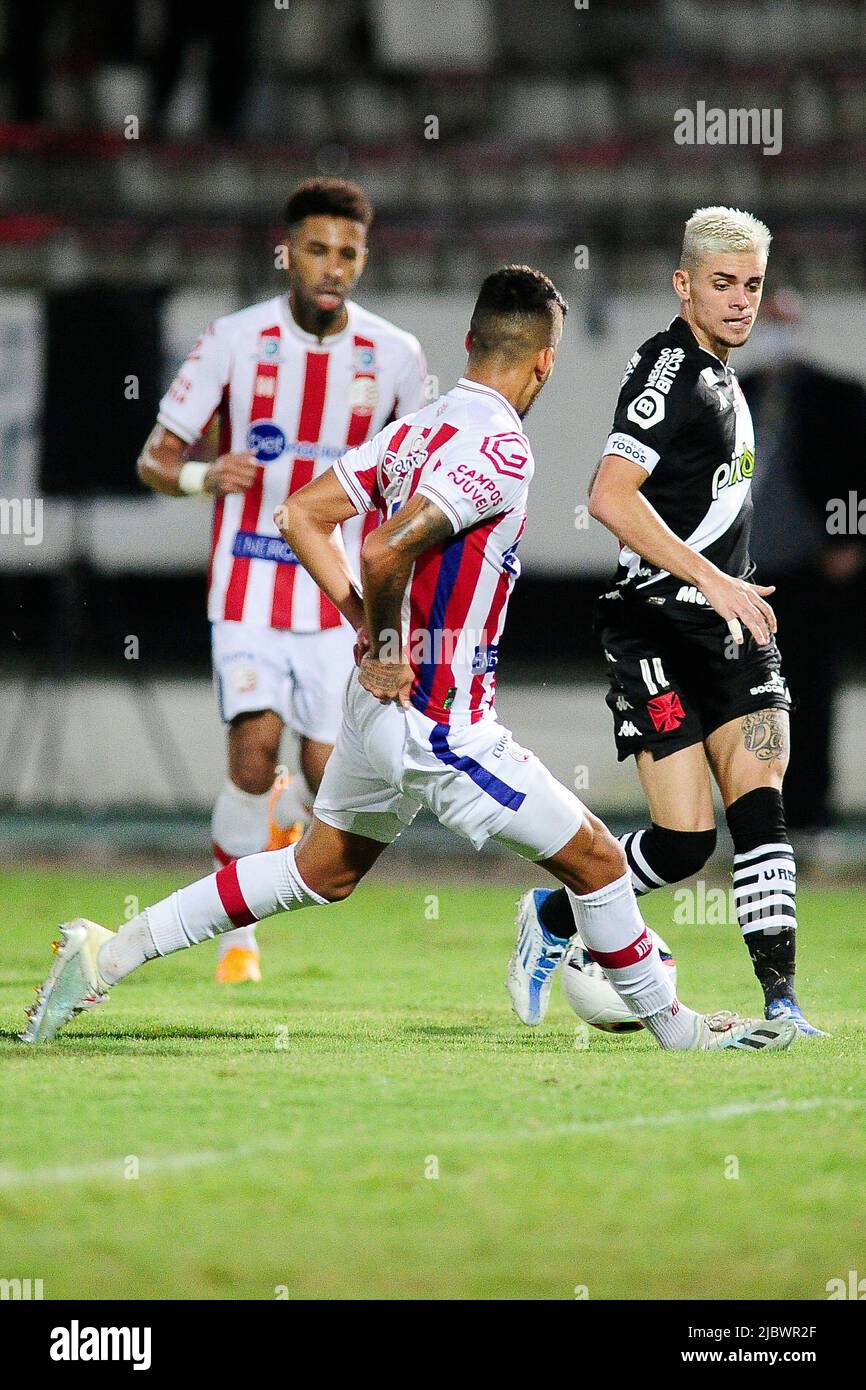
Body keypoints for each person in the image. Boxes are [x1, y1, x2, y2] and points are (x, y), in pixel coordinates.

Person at [21, 266, 795, 1055]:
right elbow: (388, 547)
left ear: (469, 341)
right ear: (546, 362)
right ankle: (682, 1032)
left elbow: (300, 515)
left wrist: (363, 623)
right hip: (440, 725)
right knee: (596, 860)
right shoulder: (500, 447)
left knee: (319, 871)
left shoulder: (420, 425)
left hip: (376, 714)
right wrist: (386, 644)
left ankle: (106, 952)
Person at [507, 208, 826, 1038]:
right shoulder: (671, 366)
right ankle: (553, 916)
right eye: (722, 284)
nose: (740, 301)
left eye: (752, 285)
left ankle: (782, 1006)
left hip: (732, 626)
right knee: (683, 845)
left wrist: (729, 591)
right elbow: (609, 497)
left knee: (760, 803)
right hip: (654, 626)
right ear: (684, 285)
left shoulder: (727, 376)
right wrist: (714, 579)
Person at [137, 176, 428, 983]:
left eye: (348, 252)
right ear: (287, 252)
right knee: (254, 753)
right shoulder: (234, 339)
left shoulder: (396, 356)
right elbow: (155, 458)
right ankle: (237, 937)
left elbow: (422, 474)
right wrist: (202, 478)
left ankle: (277, 829)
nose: (332, 266)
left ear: (363, 259)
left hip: (338, 595)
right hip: (248, 585)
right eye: (317, 249)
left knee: (324, 779)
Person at [740, 289, 866, 845]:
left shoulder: (835, 396)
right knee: (748, 695)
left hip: (807, 566)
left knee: (811, 689)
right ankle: (756, 813)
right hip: (742, 573)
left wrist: (849, 538)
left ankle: (811, 812)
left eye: (783, 321)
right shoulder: (734, 393)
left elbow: (857, 472)